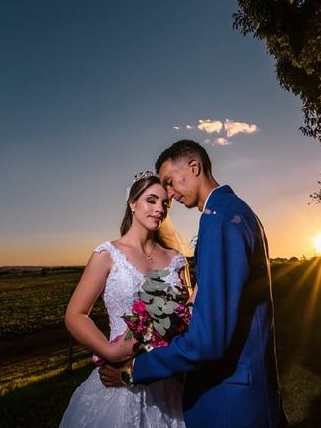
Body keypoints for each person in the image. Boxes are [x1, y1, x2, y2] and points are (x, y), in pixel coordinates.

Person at [101, 140, 288, 428]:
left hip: (229, 397)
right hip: (251, 385)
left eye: (170, 182)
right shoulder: (237, 210)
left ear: (194, 167)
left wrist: (134, 369)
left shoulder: (218, 220)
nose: (170, 195)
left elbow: (208, 341)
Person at [59, 170, 190, 428]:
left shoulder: (177, 260)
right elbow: (75, 315)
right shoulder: (107, 254)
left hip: (166, 383)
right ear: (132, 203)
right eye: (151, 200)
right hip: (116, 384)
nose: (159, 209)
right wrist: (109, 350)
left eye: (165, 203)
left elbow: (189, 316)